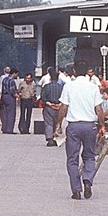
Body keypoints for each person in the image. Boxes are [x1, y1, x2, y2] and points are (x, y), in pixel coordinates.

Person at [55, 59, 101, 200]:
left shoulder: (69, 86)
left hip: (74, 126)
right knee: (89, 156)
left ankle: (76, 190)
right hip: (90, 126)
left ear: (74, 71)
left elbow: (63, 107)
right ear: (88, 71)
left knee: (72, 159)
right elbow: (99, 109)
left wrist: (58, 124)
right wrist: (102, 125)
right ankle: (87, 179)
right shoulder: (93, 87)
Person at [39, 66, 64, 147]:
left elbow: (43, 97)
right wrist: (60, 104)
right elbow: (64, 98)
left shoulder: (47, 86)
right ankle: (56, 138)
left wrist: (49, 103)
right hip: (59, 107)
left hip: (49, 107)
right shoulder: (61, 87)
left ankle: (50, 139)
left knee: (48, 123)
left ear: (50, 77)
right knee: (57, 123)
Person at [0, 66, 18, 133]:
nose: (17, 76)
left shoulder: (4, 79)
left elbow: (2, 88)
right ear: (14, 73)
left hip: (4, 97)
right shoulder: (12, 81)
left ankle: (4, 128)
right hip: (10, 98)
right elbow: (12, 91)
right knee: (11, 113)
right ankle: (9, 129)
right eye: (16, 74)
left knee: (4, 113)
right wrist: (18, 96)